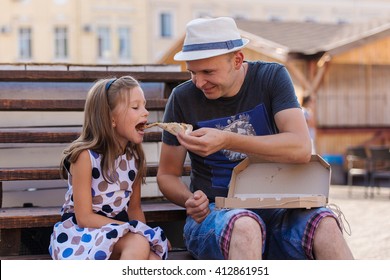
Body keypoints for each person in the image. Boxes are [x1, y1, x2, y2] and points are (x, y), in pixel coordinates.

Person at [157, 17, 353, 260]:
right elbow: (167, 175)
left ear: (237, 60)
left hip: (281, 208)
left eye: (208, 72)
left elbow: (301, 148)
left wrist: (228, 140)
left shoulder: (271, 77)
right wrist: (190, 199)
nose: (198, 82)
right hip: (216, 213)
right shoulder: (182, 97)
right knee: (246, 225)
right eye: (192, 72)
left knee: (326, 225)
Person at [49, 76, 168, 260]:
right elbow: (84, 217)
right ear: (111, 118)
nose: (145, 112)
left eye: (144, 106)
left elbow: (134, 209)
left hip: (117, 231)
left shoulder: (135, 158)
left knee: (154, 259)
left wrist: (145, 233)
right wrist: (138, 232)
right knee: (138, 243)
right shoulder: (85, 157)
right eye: (135, 107)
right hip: (82, 236)